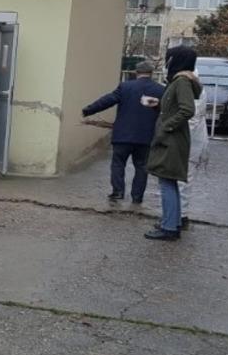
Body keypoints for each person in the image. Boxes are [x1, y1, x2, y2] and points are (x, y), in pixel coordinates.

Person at [81, 61, 165, 204]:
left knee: (118, 163)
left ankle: (118, 192)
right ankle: (137, 197)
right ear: (151, 73)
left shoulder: (125, 87)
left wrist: (89, 110)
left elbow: (108, 100)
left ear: (135, 72)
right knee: (142, 166)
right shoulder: (160, 90)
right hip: (145, 137)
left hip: (123, 135)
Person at [145, 46, 201, 241]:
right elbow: (177, 107)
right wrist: (159, 107)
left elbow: (187, 110)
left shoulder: (182, 81)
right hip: (173, 137)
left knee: (166, 180)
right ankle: (172, 223)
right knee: (168, 181)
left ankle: (169, 227)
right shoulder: (180, 81)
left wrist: (166, 126)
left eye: (169, 59)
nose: (167, 62)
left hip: (172, 139)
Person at [178, 84, 209, 229]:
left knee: (182, 180)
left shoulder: (191, 92)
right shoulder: (198, 90)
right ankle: (179, 215)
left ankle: (180, 216)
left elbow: (191, 120)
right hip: (193, 143)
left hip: (189, 144)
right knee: (183, 180)